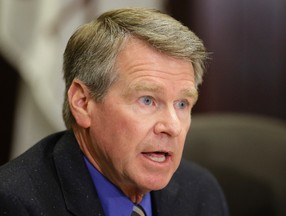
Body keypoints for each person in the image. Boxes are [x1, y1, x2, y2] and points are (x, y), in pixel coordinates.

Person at [0, 8, 229, 216]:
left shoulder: (200, 194)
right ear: (82, 103)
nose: (172, 127)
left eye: (182, 104)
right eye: (147, 100)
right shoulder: (15, 203)